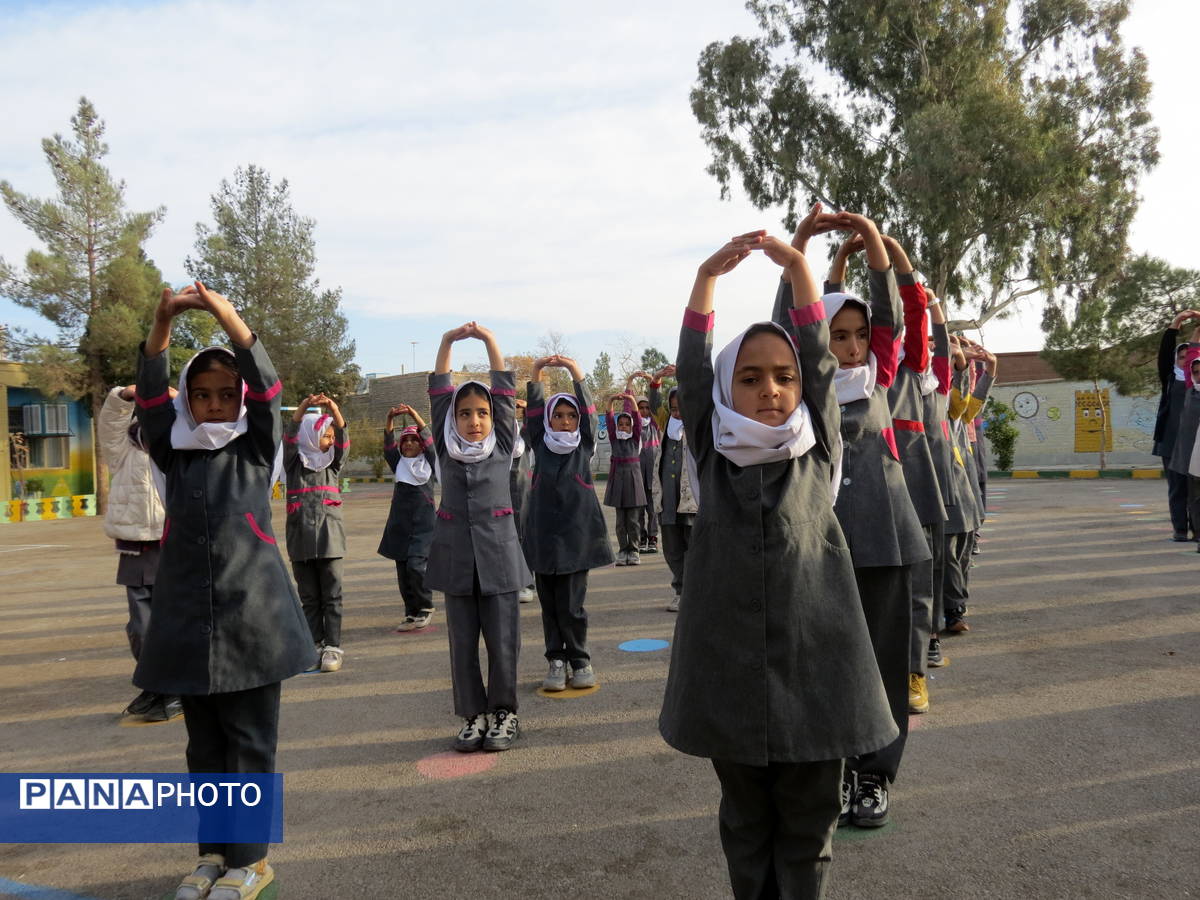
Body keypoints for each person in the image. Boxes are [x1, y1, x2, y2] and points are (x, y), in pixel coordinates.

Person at [659, 223, 896, 900]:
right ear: (729, 389)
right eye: (752, 377)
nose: (771, 390)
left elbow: (821, 357)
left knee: (808, 825)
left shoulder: (816, 445)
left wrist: (799, 268)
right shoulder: (711, 447)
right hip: (729, 673)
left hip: (817, 669)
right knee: (745, 820)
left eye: (784, 377)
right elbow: (691, 371)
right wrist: (706, 281)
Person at [136, 281, 314, 900]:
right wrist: (162, 321)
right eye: (201, 396)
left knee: (249, 740)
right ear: (188, 401)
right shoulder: (173, 452)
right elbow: (152, 396)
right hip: (189, 621)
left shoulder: (257, 448)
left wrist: (223, 312)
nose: (213, 406)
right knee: (203, 745)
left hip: (254, 620)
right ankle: (211, 855)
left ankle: (251, 860)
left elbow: (269, 388)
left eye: (224, 395)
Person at [786, 221, 929, 830]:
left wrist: (869, 235)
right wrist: (802, 241)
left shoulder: (885, 375)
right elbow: (792, 316)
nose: (848, 346)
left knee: (884, 659)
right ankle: (833, 773)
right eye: (835, 335)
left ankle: (873, 778)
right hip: (821, 541)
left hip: (885, 534)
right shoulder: (807, 385)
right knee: (826, 659)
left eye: (857, 336)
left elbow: (891, 305)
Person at [426, 322, 532, 753]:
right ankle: (474, 715)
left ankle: (504, 712)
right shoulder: (442, 443)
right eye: (465, 413)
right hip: (456, 559)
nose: (473, 421)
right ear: (452, 419)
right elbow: (438, 391)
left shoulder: (503, 445)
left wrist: (489, 342)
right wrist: (447, 342)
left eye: (482, 413)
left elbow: (504, 390)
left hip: (501, 558)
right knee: (462, 643)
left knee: (503, 641)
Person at [522, 354, 614, 691]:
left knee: (572, 605)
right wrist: (536, 373)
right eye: (557, 415)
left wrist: (576, 372)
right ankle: (555, 661)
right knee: (549, 604)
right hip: (544, 535)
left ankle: (580, 659)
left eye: (570, 416)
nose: (564, 421)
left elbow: (590, 410)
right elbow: (533, 412)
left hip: (577, 536)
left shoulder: (583, 445)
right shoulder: (539, 444)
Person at [98, 383, 181, 723]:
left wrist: (181, 399)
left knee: (179, 623)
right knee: (141, 626)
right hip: (136, 546)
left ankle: (177, 689)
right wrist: (123, 395)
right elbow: (110, 422)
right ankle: (155, 685)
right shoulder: (122, 448)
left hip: (175, 544)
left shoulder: (179, 445)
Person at [283, 393, 348, 673]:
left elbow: (344, 440)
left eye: (332, 435)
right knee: (309, 596)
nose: (331, 440)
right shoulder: (294, 464)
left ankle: (333, 646)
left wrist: (333, 409)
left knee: (332, 596)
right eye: (326, 435)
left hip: (330, 540)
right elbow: (289, 436)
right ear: (311, 436)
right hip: (300, 540)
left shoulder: (332, 465)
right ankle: (315, 644)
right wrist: (302, 409)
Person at [379, 403, 438, 631]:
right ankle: (411, 613)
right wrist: (389, 419)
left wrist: (414, 414)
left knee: (416, 566)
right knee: (403, 573)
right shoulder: (399, 463)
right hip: (399, 526)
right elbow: (388, 445)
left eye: (414, 440)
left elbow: (431, 441)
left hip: (424, 526)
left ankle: (425, 606)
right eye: (406, 441)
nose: (410, 444)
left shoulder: (430, 464)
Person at [648, 365, 698, 612]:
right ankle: (680, 590)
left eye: (683, 407)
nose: (678, 413)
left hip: (691, 502)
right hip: (667, 500)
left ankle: (693, 591)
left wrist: (686, 376)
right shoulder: (664, 425)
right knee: (673, 549)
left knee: (694, 548)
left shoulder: (699, 428)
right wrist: (656, 381)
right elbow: (655, 403)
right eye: (674, 408)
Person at [1153, 311, 1200, 540]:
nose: (1184, 360)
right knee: (1177, 488)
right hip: (1171, 442)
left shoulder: (1196, 381)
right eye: (1180, 357)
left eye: (1187, 357)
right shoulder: (1170, 378)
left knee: (1196, 490)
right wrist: (1176, 323)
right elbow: (1164, 354)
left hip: (1194, 443)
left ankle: (1197, 530)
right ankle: (1180, 529)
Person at [603, 392, 646, 565]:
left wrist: (630, 400)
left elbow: (637, 416)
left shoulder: (635, 439)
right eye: (620, 424)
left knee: (633, 521)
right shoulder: (614, 439)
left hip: (633, 482)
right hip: (618, 482)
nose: (623, 427)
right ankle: (623, 551)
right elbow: (609, 419)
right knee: (621, 522)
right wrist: (611, 399)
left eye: (627, 424)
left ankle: (634, 551)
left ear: (632, 426)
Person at [627, 372, 662, 554]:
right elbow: (628, 405)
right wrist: (630, 382)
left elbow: (657, 404)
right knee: (639, 510)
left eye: (647, 408)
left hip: (653, 476)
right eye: (641, 408)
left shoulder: (656, 424)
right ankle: (641, 537)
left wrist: (653, 382)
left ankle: (653, 538)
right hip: (638, 476)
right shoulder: (634, 425)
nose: (645, 411)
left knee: (653, 509)